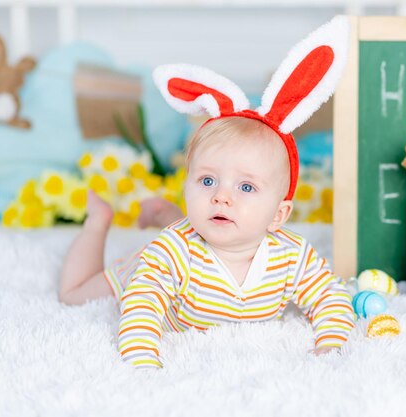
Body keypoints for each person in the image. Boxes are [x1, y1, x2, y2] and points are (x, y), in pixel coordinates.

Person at [58, 16, 355, 369]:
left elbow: (331, 297)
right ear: (188, 183)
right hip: (154, 260)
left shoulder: (291, 257)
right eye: (208, 181)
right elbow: (142, 308)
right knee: (73, 295)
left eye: (246, 187)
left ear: (278, 215)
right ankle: (99, 221)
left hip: (192, 232)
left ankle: (164, 212)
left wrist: (330, 343)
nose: (221, 197)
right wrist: (143, 360)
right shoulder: (169, 254)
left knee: (197, 221)